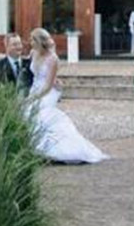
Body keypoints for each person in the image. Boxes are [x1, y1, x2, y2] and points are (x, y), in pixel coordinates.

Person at [24, 27, 108, 164]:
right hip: (35, 88)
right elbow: (31, 73)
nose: (30, 42)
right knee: (27, 113)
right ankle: (35, 148)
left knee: (42, 113)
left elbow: (48, 85)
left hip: (48, 91)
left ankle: (56, 150)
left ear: (39, 41)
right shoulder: (33, 53)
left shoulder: (53, 59)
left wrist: (35, 97)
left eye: (32, 39)